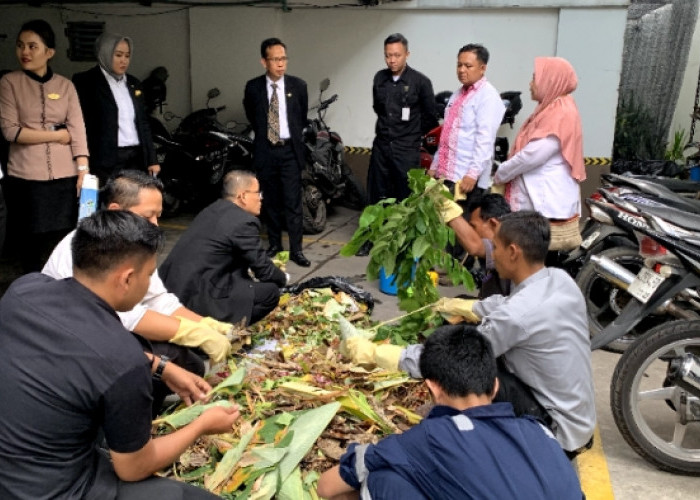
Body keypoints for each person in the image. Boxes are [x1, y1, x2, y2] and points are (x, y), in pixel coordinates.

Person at [0, 210, 239, 499]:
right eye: (149, 275)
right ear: (126, 278)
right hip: (54, 491)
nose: (150, 283)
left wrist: (162, 367)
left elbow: (83, 352)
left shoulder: (25, 290)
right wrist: (202, 424)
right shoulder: (121, 357)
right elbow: (133, 468)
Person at [343, 211, 596, 457]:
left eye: (495, 247)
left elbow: (454, 359)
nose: (492, 255)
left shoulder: (516, 317)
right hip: (578, 418)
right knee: (473, 339)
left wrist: (384, 355)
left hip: (556, 432)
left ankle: (473, 449)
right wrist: (466, 306)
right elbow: (509, 302)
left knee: (464, 371)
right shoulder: (558, 279)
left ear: (513, 252)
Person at [43, 170, 232, 415]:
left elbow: (158, 299)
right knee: (167, 361)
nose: (155, 224)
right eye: (147, 216)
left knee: (189, 361)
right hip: (75, 348)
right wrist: (190, 333)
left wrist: (207, 325)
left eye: (158, 216)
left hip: (111, 332)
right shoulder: (83, 248)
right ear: (115, 210)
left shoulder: (134, 245)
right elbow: (123, 318)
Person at [321, 326, 583, 499]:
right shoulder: (538, 430)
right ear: (495, 386)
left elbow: (326, 487)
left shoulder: (433, 437)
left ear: (432, 389)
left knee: (381, 479)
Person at [0, 19, 89, 273]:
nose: (24, 52)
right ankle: (33, 296)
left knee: (63, 242)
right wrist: (57, 136)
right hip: (26, 179)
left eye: (32, 46)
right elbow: (11, 131)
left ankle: (61, 294)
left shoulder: (65, 86)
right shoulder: (9, 83)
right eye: (20, 46)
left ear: (49, 52)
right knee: (31, 246)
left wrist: (83, 169)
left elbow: (78, 129)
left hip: (65, 179)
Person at [160, 170, 288, 326]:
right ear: (243, 196)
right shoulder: (243, 222)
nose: (261, 198)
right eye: (257, 193)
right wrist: (283, 279)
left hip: (175, 285)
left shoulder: (213, 209)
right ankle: (229, 330)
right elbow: (264, 270)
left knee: (245, 280)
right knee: (270, 293)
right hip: (197, 294)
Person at [493, 56, 584, 254]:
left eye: (535, 78)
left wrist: (501, 173)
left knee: (535, 261)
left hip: (546, 203)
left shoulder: (560, 112)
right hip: (539, 200)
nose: (531, 83)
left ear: (551, 80)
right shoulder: (550, 108)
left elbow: (533, 156)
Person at [243, 37, 310, 267]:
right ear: (264, 62)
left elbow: (300, 119)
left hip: (290, 151)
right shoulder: (253, 88)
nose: (281, 64)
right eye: (275, 59)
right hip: (266, 151)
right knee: (270, 201)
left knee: (293, 201)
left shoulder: (298, 86)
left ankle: (297, 250)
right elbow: (253, 116)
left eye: (283, 59)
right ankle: (274, 244)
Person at [72, 33, 160, 185]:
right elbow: (80, 125)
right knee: (107, 204)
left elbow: (143, 123)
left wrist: (152, 159)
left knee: (133, 204)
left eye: (127, 56)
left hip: (135, 158)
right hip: (103, 160)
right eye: (118, 55)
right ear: (104, 53)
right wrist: (83, 163)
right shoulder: (86, 81)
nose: (123, 60)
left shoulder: (133, 83)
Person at [428, 43, 505, 207]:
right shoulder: (458, 93)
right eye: (459, 65)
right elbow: (447, 134)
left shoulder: (487, 96)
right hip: (446, 175)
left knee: (462, 226)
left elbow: (484, 140)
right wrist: (435, 166)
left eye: (468, 66)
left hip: (465, 180)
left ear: (482, 68)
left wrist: (472, 174)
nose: (462, 70)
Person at [440, 192, 512, 299]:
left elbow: (475, 246)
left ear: (493, 224)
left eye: (474, 227)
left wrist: (445, 204)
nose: (472, 232)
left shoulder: (508, 247)